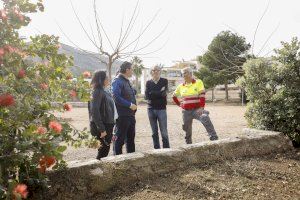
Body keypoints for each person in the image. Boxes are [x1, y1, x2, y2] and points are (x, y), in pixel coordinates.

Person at [172, 67, 218, 144]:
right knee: (187, 129)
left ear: (190, 73)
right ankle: (188, 143)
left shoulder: (198, 82)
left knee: (205, 117)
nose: (183, 74)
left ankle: (213, 137)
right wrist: (180, 104)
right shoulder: (180, 86)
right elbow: (174, 96)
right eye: (182, 73)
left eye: (185, 72)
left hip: (197, 109)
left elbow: (202, 95)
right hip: (186, 112)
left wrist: (202, 107)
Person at [89, 70, 118, 159]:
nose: (108, 79)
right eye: (107, 78)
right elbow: (95, 111)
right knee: (103, 151)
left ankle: (98, 169)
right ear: (102, 79)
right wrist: (102, 129)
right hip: (103, 126)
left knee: (104, 150)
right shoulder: (97, 91)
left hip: (108, 124)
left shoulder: (104, 91)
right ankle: (97, 168)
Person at [112, 61, 137, 155]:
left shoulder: (126, 81)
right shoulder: (117, 80)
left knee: (130, 140)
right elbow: (116, 97)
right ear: (127, 70)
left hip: (130, 116)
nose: (133, 71)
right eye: (132, 69)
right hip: (122, 116)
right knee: (119, 140)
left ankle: (131, 161)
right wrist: (130, 105)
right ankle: (117, 162)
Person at [145, 65, 170, 149]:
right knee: (154, 132)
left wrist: (152, 93)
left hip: (161, 109)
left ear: (160, 71)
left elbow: (164, 94)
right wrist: (159, 93)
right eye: (154, 70)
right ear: (151, 72)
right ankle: (157, 150)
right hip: (150, 109)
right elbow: (147, 96)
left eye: (158, 70)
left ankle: (167, 150)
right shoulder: (148, 82)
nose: (156, 71)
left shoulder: (164, 81)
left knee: (164, 132)